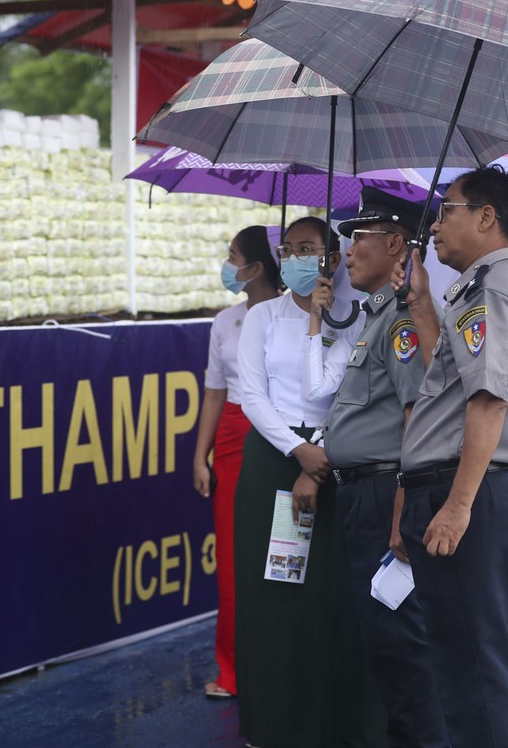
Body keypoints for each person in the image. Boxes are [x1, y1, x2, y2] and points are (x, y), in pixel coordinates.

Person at [396, 165, 508, 747]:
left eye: (447, 209)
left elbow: (487, 402)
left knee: (475, 672)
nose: (435, 225)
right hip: (471, 486)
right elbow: (459, 383)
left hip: (471, 489)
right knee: (469, 663)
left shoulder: (493, 289)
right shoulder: (485, 288)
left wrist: (458, 506)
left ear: (487, 217)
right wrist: (422, 307)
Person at [309, 188, 449, 748]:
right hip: (361, 494)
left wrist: (401, 511)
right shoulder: (376, 315)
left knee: (402, 642)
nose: (345, 248)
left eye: (356, 235)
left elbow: (419, 414)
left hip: (383, 493)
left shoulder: (401, 321)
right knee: (383, 642)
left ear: (396, 244)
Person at [235, 216, 381, 748]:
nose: (297, 257)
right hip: (274, 459)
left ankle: (330, 723)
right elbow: (252, 394)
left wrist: (316, 452)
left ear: (334, 260)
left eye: (309, 249)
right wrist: (296, 449)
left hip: (333, 461)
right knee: (274, 591)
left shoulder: (356, 318)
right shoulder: (263, 318)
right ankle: (273, 722)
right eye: (289, 248)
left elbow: (346, 396)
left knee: (330, 593)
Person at [191, 226, 281, 700]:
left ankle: (283, 663)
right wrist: (199, 455)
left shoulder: (297, 313)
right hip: (230, 436)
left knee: (281, 553)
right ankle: (233, 670)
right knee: (231, 554)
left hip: (280, 436)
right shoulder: (225, 321)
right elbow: (213, 390)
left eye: (233, 256)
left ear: (256, 267)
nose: (227, 265)